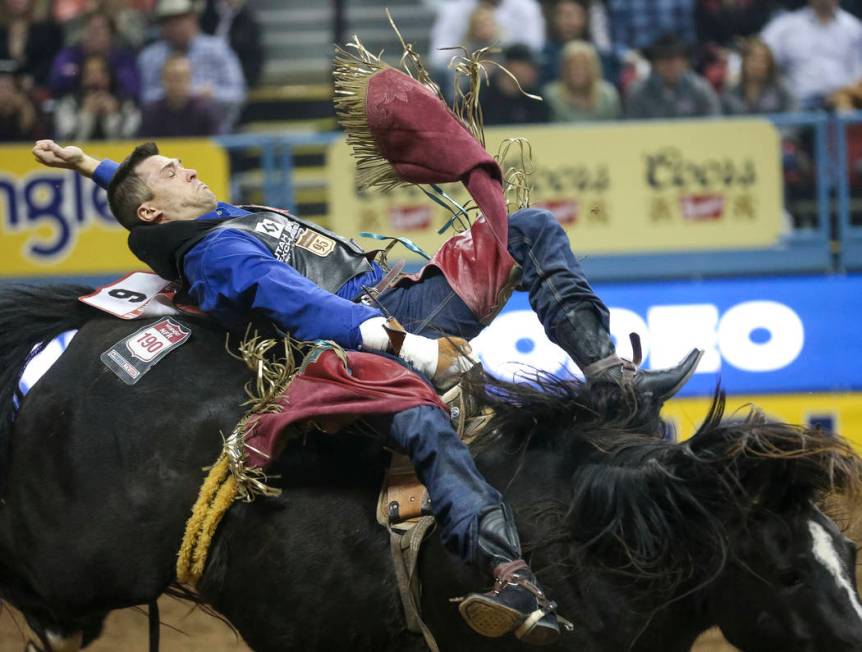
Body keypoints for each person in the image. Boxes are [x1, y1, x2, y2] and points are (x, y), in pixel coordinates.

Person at [31, 85, 700, 643]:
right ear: (154, 210)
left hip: (398, 306)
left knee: (527, 231)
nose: (188, 169)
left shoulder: (206, 223)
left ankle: (612, 378)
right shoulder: (215, 253)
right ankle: (508, 573)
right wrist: (413, 349)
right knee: (420, 418)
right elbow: (305, 310)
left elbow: (148, 204)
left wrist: (89, 163)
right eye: (172, 173)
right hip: (353, 350)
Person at [137, 0, 246, 133]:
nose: (176, 26)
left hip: (213, 133)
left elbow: (238, 94)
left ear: (194, 19)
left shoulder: (218, 49)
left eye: (182, 19)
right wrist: (174, 93)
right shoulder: (150, 57)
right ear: (162, 26)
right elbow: (144, 98)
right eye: (169, 21)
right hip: (164, 133)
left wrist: (212, 94)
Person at [761, 0, 862, 109]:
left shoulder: (854, 28)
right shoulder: (785, 26)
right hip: (797, 105)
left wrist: (845, 94)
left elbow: (858, 75)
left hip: (843, 102)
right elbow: (756, 55)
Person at [427, 0, 545, 71]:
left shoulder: (526, 7)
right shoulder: (454, 10)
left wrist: (498, 41)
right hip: (466, 74)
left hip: (510, 71)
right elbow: (437, 57)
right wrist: (469, 42)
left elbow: (534, 49)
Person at [49, 11, 140, 101]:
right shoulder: (70, 55)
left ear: (111, 34)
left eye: (100, 29)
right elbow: (56, 82)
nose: (95, 34)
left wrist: (109, 78)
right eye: (90, 29)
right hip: (74, 104)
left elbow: (133, 88)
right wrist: (78, 73)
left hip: (115, 105)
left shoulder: (123, 58)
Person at [626, 33, 721, 119]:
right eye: (663, 58)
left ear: (685, 63)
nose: (669, 64)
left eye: (675, 58)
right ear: (654, 64)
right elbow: (632, 127)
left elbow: (713, 123)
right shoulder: (639, 92)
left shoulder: (700, 89)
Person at [53, 54, 141, 141]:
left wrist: (113, 116)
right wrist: (86, 114)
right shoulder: (69, 104)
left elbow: (130, 142)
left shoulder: (126, 104)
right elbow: (66, 143)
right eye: (90, 73)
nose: (96, 77)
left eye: (102, 72)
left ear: (110, 76)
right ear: (82, 78)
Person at [138, 53, 219, 137]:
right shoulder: (151, 113)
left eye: (180, 79)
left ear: (189, 80)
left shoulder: (205, 111)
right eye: (170, 79)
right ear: (162, 80)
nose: (175, 84)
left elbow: (217, 145)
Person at [542, 40, 621, 122]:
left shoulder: (608, 96)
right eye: (572, 65)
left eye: (584, 65)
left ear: (594, 68)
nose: (578, 70)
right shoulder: (551, 97)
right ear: (563, 68)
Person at [721, 38, 796, 115]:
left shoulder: (782, 88)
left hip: (776, 127)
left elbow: (794, 116)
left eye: (762, 61)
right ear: (744, 61)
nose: (757, 65)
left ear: (770, 64)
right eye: (753, 59)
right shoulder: (731, 90)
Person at [199, 0, 263, 89]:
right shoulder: (208, 12)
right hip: (203, 77)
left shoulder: (248, 21)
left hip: (235, 80)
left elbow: (254, 59)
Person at [480, 44, 550, 124]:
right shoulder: (482, 94)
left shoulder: (535, 98)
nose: (534, 73)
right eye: (529, 67)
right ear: (511, 65)